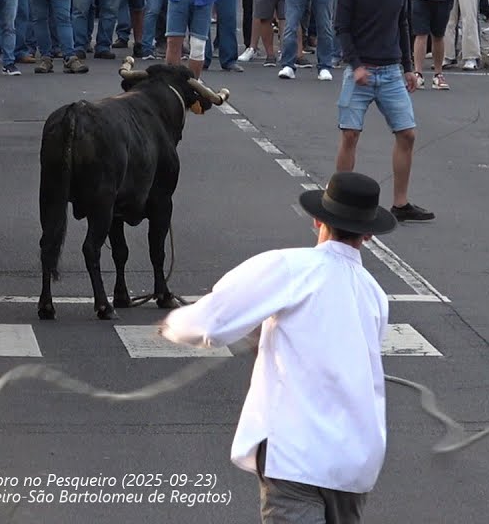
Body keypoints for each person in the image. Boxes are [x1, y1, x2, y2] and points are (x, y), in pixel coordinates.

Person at [160, 171, 397, 523]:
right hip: (355, 461)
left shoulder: (292, 267)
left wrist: (170, 326)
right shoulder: (375, 293)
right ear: (368, 234)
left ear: (318, 219)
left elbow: (211, 323)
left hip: (298, 452)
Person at [334, 0, 434, 223]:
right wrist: (356, 65)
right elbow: (342, 28)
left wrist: (408, 68)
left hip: (391, 71)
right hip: (359, 71)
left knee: (408, 134)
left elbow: (402, 25)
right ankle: (339, 201)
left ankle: (400, 204)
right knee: (350, 134)